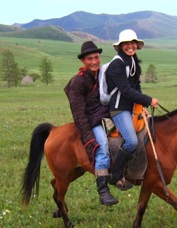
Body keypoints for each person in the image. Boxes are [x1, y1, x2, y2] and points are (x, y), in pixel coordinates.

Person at [64, 41, 118, 206]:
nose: (94, 61)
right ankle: (103, 191)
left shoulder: (102, 75)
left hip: (107, 117)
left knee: (125, 139)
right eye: (90, 59)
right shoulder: (77, 83)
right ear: (83, 61)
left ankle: (120, 176)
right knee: (102, 147)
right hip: (92, 121)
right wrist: (88, 138)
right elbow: (79, 115)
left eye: (96, 57)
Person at [106, 29, 159, 190]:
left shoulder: (132, 60)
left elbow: (136, 86)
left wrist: (141, 106)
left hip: (131, 107)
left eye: (132, 43)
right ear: (121, 46)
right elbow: (126, 91)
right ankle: (115, 173)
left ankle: (139, 171)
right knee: (132, 142)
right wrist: (149, 100)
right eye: (126, 44)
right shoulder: (116, 64)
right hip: (119, 108)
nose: (130, 47)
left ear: (136, 44)